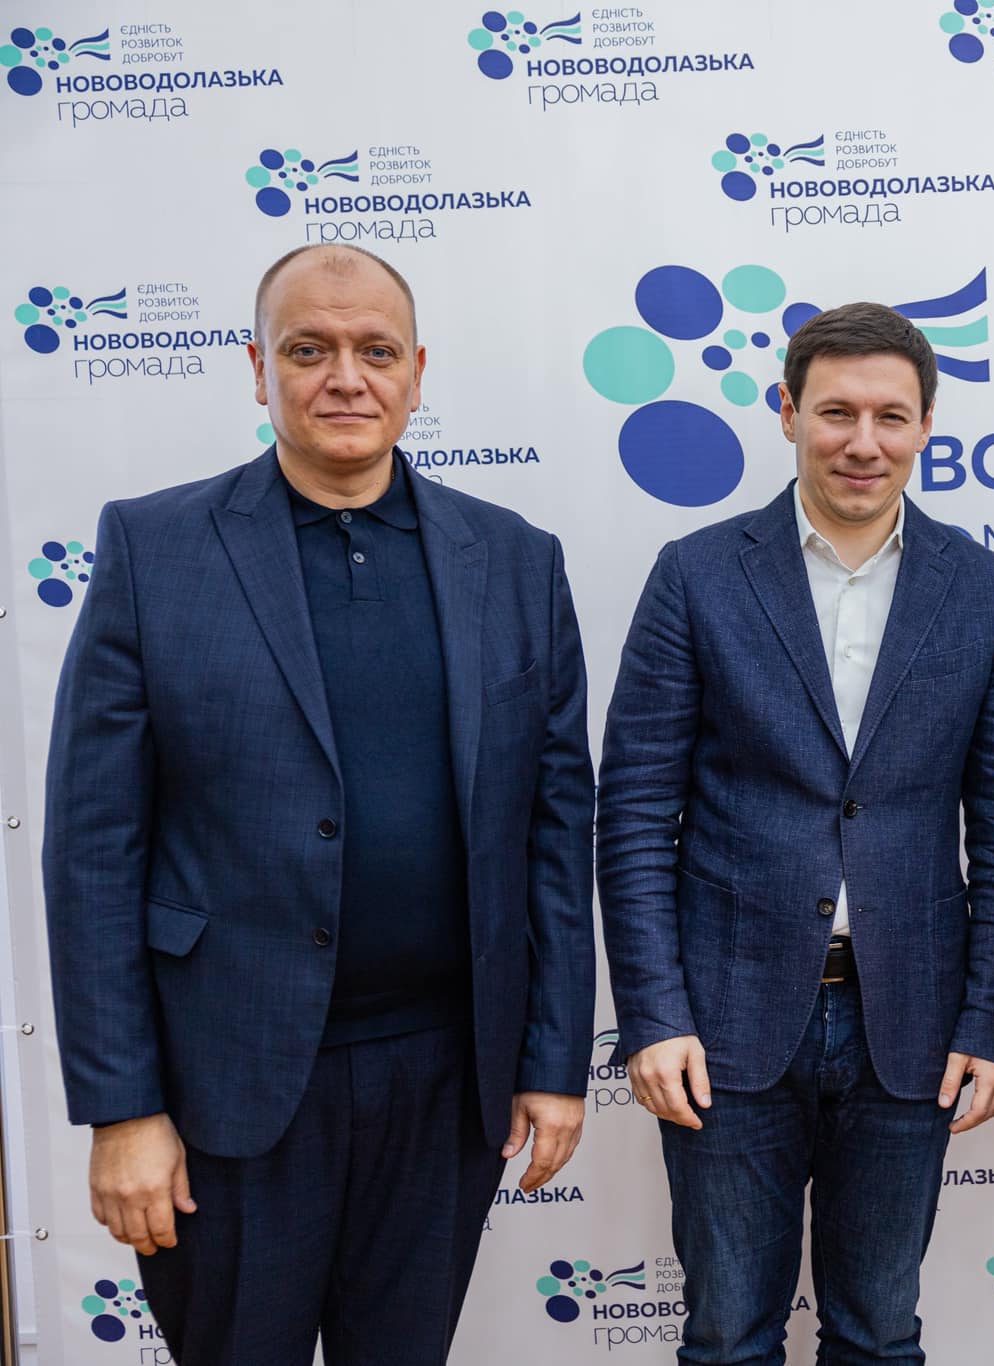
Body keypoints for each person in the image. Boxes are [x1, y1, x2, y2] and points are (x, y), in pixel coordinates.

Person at [42, 243, 597, 1364]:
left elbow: (553, 830)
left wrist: (551, 1061)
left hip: (446, 1086)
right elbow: (94, 849)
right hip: (227, 1090)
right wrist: (123, 1108)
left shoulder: (515, 560)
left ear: (416, 372)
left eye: (375, 351)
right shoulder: (155, 549)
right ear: (259, 370)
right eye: (308, 350)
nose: (346, 377)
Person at [596, 302, 994, 1364]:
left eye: (890, 416)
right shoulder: (696, 574)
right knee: (726, 1337)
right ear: (787, 411)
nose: (862, 442)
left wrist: (991, 1020)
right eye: (836, 411)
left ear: (925, 425)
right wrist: (652, 1016)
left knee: (879, 1334)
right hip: (724, 1022)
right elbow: (635, 814)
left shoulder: (982, 591)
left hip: (911, 1027)